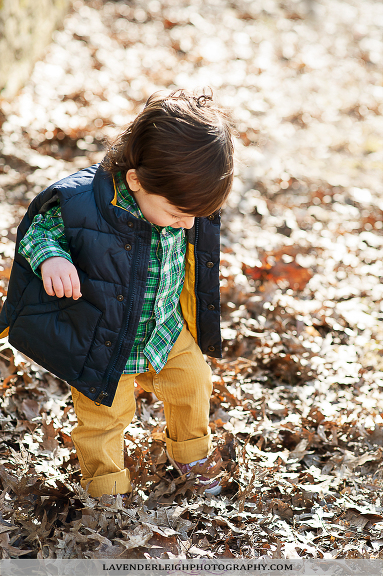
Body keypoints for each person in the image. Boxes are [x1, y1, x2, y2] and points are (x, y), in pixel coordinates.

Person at [0, 89, 235, 498]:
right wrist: (52, 259)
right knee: (104, 419)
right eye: (178, 215)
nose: (184, 225)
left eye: (193, 218)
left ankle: (191, 453)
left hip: (163, 328)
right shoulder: (81, 202)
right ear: (136, 180)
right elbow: (39, 232)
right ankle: (106, 487)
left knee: (194, 382)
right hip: (103, 339)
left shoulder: (178, 201)